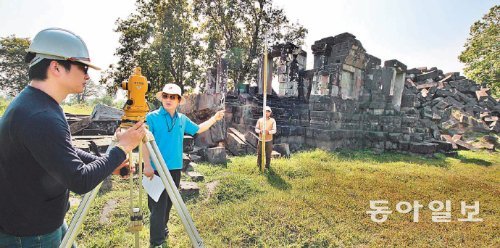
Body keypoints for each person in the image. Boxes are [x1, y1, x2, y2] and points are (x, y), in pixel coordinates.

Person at [0, 28, 146, 247]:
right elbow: (80, 180)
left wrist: (104, 163)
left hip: (45, 222)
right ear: (56, 67)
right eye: (83, 67)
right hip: (30, 235)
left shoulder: (40, 104)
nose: (87, 76)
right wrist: (122, 147)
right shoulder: (39, 116)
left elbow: (62, 151)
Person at [143, 83, 224, 248]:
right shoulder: (151, 117)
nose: (168, 99)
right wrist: (146, 165)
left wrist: (214, 118)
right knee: (156, 205)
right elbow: (143, 142)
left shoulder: (182, 119)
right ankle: (156, 242)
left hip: (174, 167)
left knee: (169, 203)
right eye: (165, 96)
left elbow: (199, 128)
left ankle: (162, 228)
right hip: (156, 168)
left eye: (172, 97)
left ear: (179, 101)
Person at [255, 106, 276, 170]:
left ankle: (267, 166)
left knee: (268, 154)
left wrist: (269, 132)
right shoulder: (260, 120)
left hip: (269, 140)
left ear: (270, 113)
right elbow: (256, 129)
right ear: (263, 112)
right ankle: (259, 165)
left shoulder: (272, 120)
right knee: (260, 153)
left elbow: (274, 130)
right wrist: (260, 131)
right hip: (261, 140)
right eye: (265, 112)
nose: (267, 113)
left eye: (268, 112)